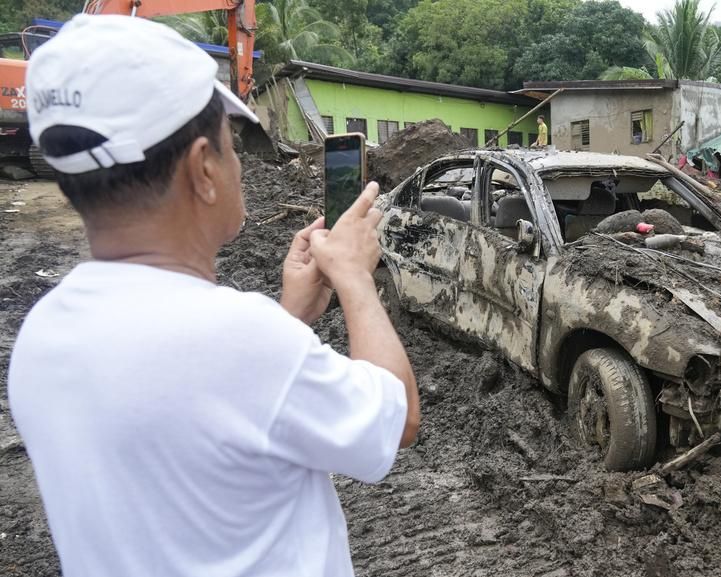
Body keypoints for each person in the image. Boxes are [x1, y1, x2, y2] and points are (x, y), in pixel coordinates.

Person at [8, 14, 419, 577]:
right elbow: (395, 421)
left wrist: (290, 315)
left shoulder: (42, 333)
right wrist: (354, 278)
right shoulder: (240, 340)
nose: (238, 166)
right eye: (231, 146)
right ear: (202, 168)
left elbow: (202, 406)